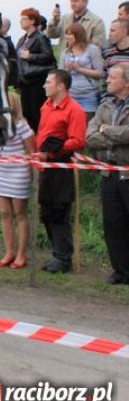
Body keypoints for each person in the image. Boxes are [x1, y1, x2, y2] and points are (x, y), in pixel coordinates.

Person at [37, 69, 87, 274]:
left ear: (61, 86)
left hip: (62, 165)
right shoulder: (46, 106)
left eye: (48, 82)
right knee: (47, 211)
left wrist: (56, 148)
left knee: (59, 211)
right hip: (46, 165)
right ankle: (57, 253)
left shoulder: (74, 110)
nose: (44, 85)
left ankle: (64, 257)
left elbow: (78, 140)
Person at [85, 63, 129, 285]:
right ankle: (121, 271)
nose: (107, 80)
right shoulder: (105, 105)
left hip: (127, 172)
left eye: (112, 77)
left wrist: (107, 131)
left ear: (126, 82)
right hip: (108, 173)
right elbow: (90, 135)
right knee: (113, 223)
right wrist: (114, 136)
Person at [0, 92, 36, 269]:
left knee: (20, 213)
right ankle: (9, 251)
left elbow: (31, 150)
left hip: (18, 171)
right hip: (0, 170)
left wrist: (33, 175)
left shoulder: (22, 125)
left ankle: (21, 253)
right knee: (5, 213)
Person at [15, 8, 56, 132]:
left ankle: (39, 142)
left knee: (36, 113)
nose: (20, 22)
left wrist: (30, 56)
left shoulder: (40, 37)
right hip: (25, 82)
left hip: (37, 82)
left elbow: (49, 56)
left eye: (24, 19)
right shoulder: (22, 39)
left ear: (32, 21)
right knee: (26, 112)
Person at [58, 22, 104, 119]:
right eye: (66, 34)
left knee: (87, 125)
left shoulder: (92, 50)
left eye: (70, 34)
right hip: (70, 96)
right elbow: (60, 76)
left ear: (78, 35)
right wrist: (66, 70)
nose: (67, 36)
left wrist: (78, 69)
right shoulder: (65, 52)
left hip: (88, 97)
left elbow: (100, 73)